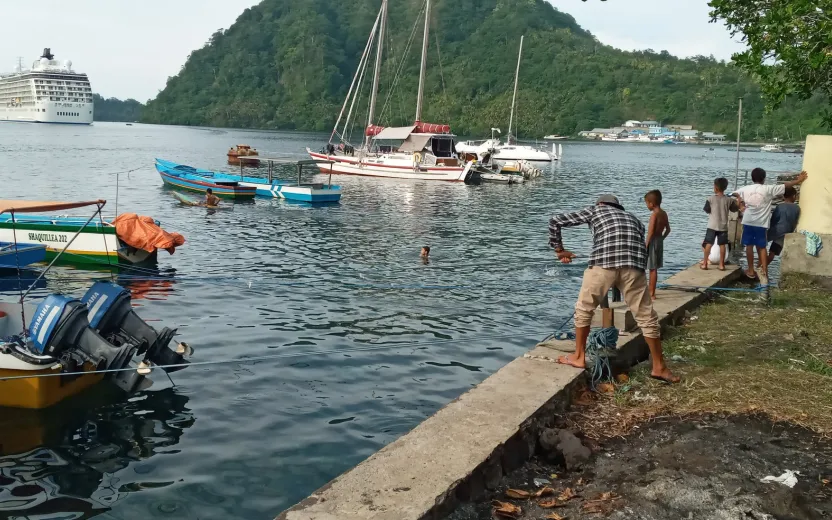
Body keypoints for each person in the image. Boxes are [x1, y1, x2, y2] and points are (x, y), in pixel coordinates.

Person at [549, 194, 679, 384]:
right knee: (646, 316)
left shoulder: (596, 210)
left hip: (603, 264)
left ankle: (578, 357)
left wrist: (560, 250)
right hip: (633, 267)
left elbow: (555, 221)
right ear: (619, 207)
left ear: (600, 203)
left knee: (584, 309)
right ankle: (659, 367)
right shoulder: (635, 219)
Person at [735, 169, 807, 279]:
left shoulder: (745, 189)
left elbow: (733, 194)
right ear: (764, 178)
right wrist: (799, 180)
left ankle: (750, 270)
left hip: (748, 222)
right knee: (762, 247)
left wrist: (741, 205)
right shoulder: (768, 189)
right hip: (761, 224)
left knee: (749, 246)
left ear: (752, 178)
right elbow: (785, 186)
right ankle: (764, 271)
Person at [702, 177, 739, 271]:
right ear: (725, 187)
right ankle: (722, 265)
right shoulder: (729, 200)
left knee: (708, 244)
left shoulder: (710, 199)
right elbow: (734, 209)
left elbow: (706, 210)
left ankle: (705, 263)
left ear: (715, 188)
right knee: (722, 245)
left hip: (712, 225)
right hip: (723, 226)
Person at [644, 190, 670, 300]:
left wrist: (646, 245)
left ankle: (651, 293)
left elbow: (650, 233)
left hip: (653, 241)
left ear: (651, 204)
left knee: (652, 269)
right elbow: (668, 229)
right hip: (660, 240)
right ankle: (651, 291)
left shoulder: (654, 215)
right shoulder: (664, 213)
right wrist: (662, 239)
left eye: (646, 203)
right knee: (655, 268)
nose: (646, 205)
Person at [767, 186, 801, 261]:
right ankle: (761, 267)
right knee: (775, 253)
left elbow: (773, 220)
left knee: (771, 254)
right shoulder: (797, 208)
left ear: (783, 196)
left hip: (778, 232)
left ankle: (760, 267)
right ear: (794, 196)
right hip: (788, 232)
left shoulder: (779, 207)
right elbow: (796, 220)